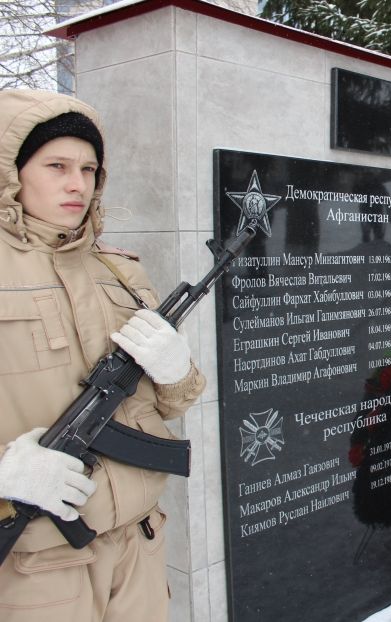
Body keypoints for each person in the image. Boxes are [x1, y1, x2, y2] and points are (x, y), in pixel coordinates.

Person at [0, 89, 205, 620]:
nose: (77, 183)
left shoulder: (119, 270)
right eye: (57, 165)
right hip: (39, 563)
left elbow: (170, 404)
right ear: (12, 171)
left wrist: (175, 370)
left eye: (89, 169)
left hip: (139, 543)